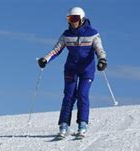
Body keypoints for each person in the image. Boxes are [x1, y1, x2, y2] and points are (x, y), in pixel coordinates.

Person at [38, 7, 107, 138]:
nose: (72, 22)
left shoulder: (92, 33)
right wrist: (45, 59)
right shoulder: (66, 35)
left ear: (81, 19)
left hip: (87, 69)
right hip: (71, 68)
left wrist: (102, 60)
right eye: (70, 19)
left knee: (82, 94)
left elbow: (99, 50)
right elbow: (56, 50)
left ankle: (82, 124)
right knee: (69, 95)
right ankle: (64, 126)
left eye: (75, 19)